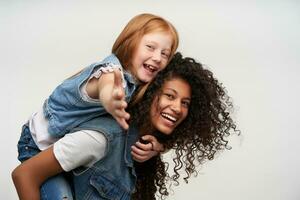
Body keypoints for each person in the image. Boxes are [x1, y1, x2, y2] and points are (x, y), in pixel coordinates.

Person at [12, 52, 239, 200]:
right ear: (150, 95)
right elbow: (25, 175)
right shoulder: (101, 138)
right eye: (170, 96)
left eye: (185, 103)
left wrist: (162, 146)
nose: (178, 108)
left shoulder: (145, 148)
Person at [12, 13, 179, 200]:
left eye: (165, 54)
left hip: (65, 152)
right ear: (130, 42)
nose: (157, 57)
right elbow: (105, 86)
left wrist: (159, 147)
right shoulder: (110, 71)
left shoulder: (140, 87)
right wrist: (109, 99)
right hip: (37, 144)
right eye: (150, 47)